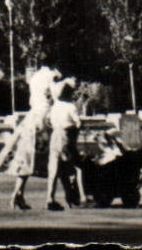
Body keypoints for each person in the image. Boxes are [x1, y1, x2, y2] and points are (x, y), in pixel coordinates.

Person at [0, 66, 59, 210]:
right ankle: (51, 198)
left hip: (32, 118)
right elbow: (55, 97)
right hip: (44, 119)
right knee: (54, 158)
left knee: (27, 159)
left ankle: (18, 193)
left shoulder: (35, 77)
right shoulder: (52, 77)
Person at [44, 76, 82, 210]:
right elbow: (78, 123)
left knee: (54, 168)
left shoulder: (55, 106)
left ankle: (50, 198)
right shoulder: (70, 106)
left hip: (55, 136)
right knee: (70, 167)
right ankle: (74, 196)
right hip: (66, 137)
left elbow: (48, 121)